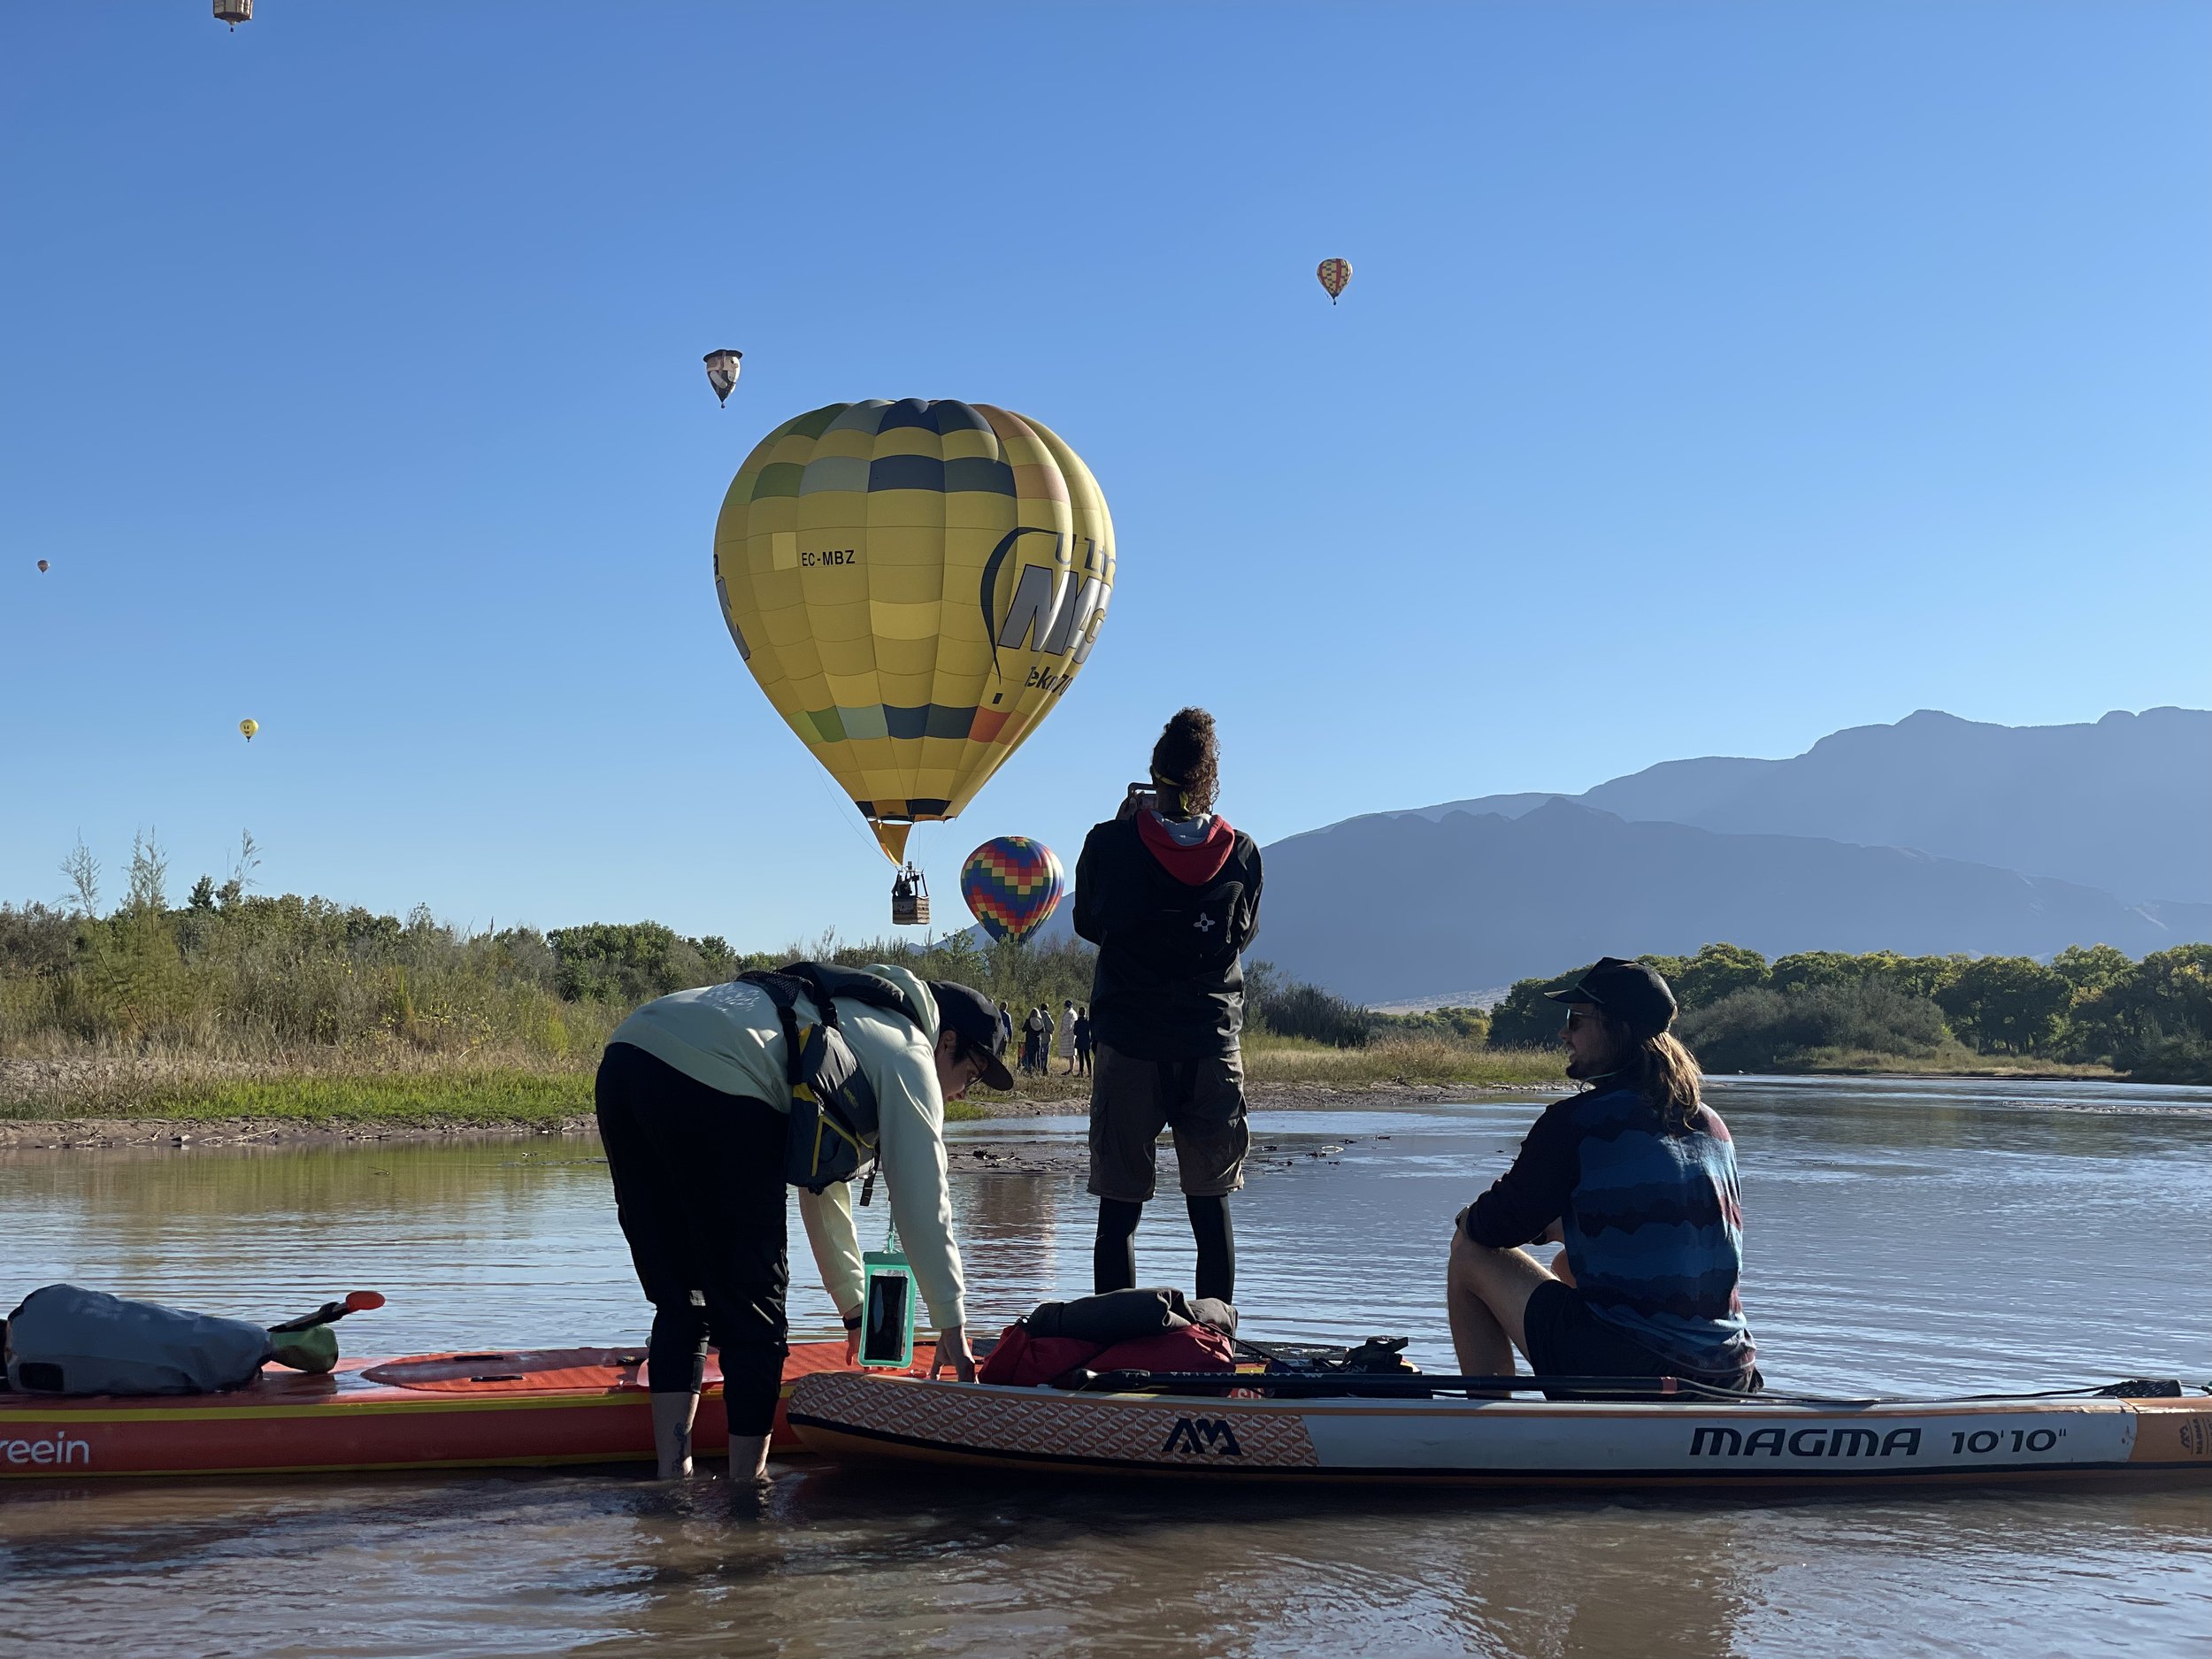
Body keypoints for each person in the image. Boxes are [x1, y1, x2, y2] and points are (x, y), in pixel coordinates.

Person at [595, 964, 1012, 1479]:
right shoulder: (909, 1053)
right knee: (757, 1316)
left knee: (684, 1298)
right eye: (968, 1075)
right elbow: (924, 1197)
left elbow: (822, 1187)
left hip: (626, 1058)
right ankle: (750, 1500)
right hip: (716, 1079)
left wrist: (858, 1312)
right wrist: (951, 1322)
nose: (963, 1094)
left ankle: (669, 1487)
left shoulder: (850, 1020)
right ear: (945, 1041)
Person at [1447, 956, 1759, 1398]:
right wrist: (1560, 1230)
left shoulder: (1576, 1122)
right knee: (1565, 1264)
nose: (1564, 1033)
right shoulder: (1710, 1123)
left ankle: (1491, 1423)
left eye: (1575, 1020)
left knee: (1469, 1251)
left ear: (1617, 1028)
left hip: (1630, 1367)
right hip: (1731, 1372)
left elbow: (1494, 1226)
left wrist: (1465, 1219)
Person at [1073, 707, 1263, 1306]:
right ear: (1210, 779)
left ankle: (1115, 1347)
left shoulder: (1108, 843)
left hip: (1130, 1046)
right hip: (1211, 1045)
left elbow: (1087, 921)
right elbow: (1240, 935)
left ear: (1153, 775)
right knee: (1211, 1211)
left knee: (1119, 1211)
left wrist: (1124, 833)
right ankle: (1217, 1345)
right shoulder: (1243, 853)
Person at [1055, 999, 1078, 1075]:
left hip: (1069, 1036)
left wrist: (1061, 1033)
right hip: (1070, 1036)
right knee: (1071, 1053)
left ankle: (1071, 1070)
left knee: (1071, 1053)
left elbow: (1068, 1026)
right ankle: (1070, 1069)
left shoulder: (1069, 1014)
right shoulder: (1071, 1012)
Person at [1072, 1004, 1094, 1078]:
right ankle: (1090, 1073)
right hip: (1087, 1041)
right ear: (1085, 1013)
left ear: (1079, 1013)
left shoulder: (1077, 1022)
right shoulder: (1088, 1022)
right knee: (1088, 1057)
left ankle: (1081, 1072)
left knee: (1081, 1057)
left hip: (1079, 1041)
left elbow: (1075, 1032)